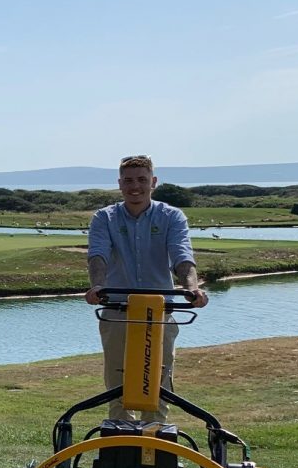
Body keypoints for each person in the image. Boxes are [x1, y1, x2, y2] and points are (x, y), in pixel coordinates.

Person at [85, 154, 208, 421]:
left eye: (141, 180)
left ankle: (155, 442)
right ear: (120, 184)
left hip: (159, 312)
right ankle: (119, 441)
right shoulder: (104, 218)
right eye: (128, 181)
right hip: (117, 308)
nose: (135, 187)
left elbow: (182, 256)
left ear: (153, 181)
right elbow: (98, 255)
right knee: (117, 382)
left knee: (158, 382)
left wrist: (192, 288)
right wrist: (97, 286)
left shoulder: (171, 216)